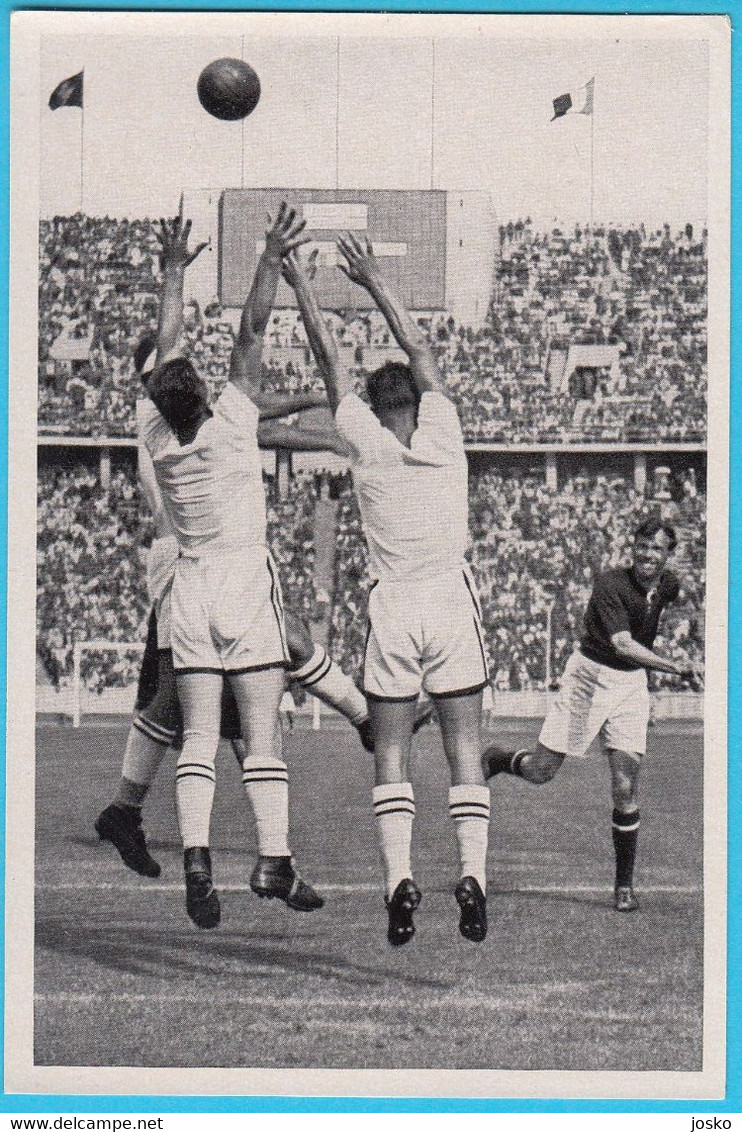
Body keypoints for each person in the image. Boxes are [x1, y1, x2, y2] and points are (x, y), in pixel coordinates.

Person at [282, 236, 490, 946]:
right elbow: (421, 346)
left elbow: (327, 359)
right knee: (465, 748)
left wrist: (300, 284)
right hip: (450, 602)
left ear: (371, 406)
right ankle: (472, 875)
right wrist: (374, 280)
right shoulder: (445, 429)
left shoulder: (363, 442)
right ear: (419, 401)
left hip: (394, 606)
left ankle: (398, 879)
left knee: (391, 752)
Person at [138, 202, 325, 928]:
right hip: (244, 583)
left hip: (189, 586)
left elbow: (165, 345)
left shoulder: (160, 436)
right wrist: (270, 259)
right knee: (261, 731)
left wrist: (173, 271)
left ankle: (195, 857)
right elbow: (251, 331)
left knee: (195, 737)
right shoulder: (233, 426)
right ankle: (273, 857)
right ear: (206, 396)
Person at [481, 518, 702, 912]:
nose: (648, 555)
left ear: (668, 556)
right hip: (590, 678)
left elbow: (670, 606)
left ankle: (623, 886)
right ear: (632, 547)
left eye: (657, 549)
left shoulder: (667, 585)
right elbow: (623, 644)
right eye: (643, 546)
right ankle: (501, 758)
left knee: (625, 784)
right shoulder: (610, 584)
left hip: (631, 685)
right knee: (541, 771)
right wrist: (677, 667)